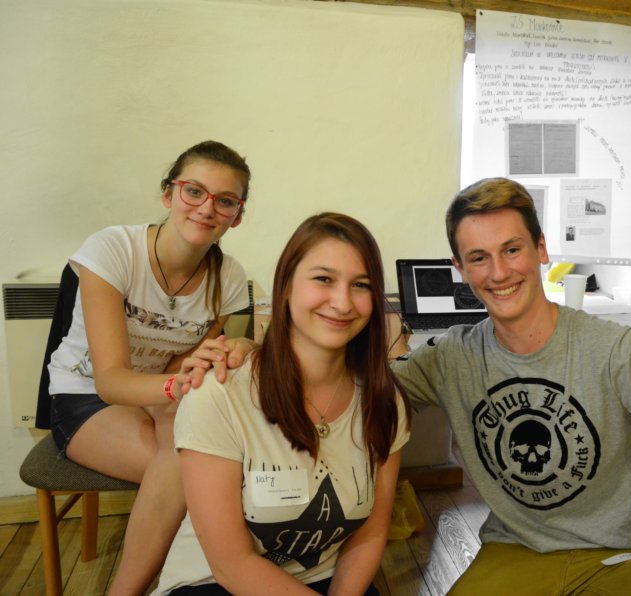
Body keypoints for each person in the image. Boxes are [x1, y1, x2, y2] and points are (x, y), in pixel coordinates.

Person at [391, 178, 631, 595]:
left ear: (541, 248)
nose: (499, 272)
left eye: (512, 249)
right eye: (479, 258)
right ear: (460, 269)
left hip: (613, 556)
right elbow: (359, 399)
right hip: (512, 550)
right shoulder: (452, 356)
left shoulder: (612, 350)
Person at [154, 213, 411, 595]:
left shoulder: (383, 400)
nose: (342, 303)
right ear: (286, 285)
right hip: (216, 585)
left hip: (326, 581)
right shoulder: (219, 395)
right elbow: (231, 565)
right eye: (323, 279)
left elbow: (371, 532)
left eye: (361, 285)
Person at [47, 140, 252, 594]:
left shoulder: (230, 278)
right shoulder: (113, 250)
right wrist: (178, 387)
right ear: (168, 194)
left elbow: (186, 363)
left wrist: (228, 354)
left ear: (237, 215)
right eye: (193, 191)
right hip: (86, 396)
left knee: (211, 457)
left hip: (160, 395)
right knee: (195, 469)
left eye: (225, 201)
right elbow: (111, 381)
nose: (206, 208)